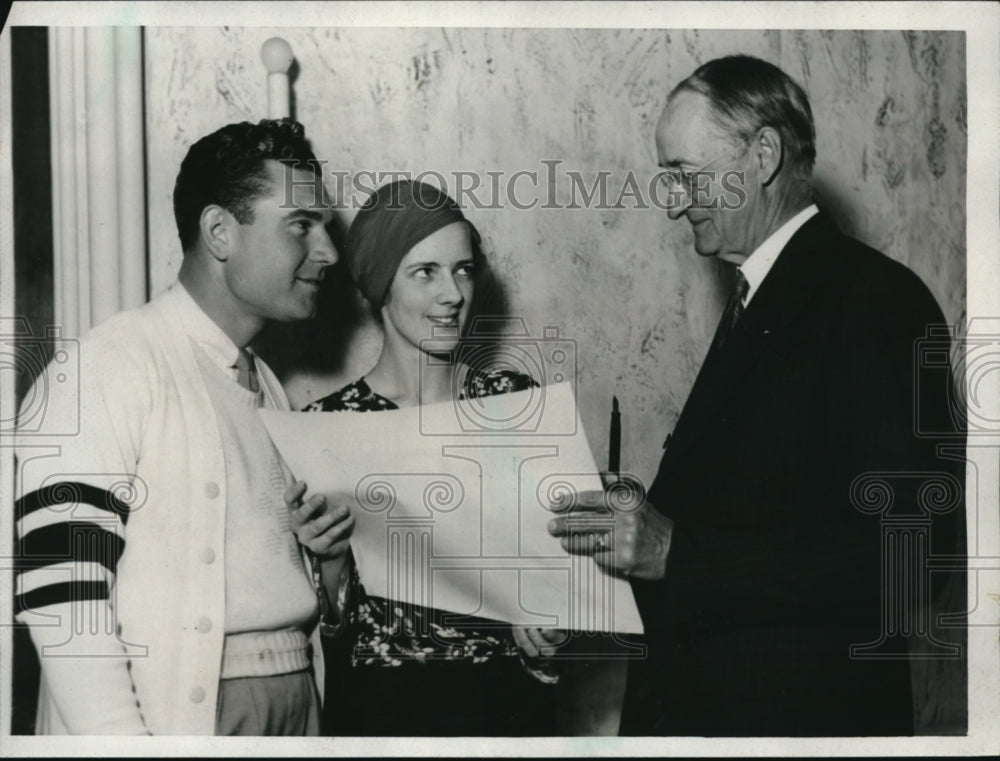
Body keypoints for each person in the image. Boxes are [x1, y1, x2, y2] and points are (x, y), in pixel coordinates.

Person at [548, 55, 964, 736]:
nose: (675, 201)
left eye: (685, 173)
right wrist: (630, 531)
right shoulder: (763, 297)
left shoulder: (874, 300)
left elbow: (913, 554)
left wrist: (677, 552)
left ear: (762, 154)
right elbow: (758, 510)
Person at [13, 119, 338, 735]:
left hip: (296, 704)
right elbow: (63, 603)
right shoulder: (107, 364)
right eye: (301, 225)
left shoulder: (267, 385)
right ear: (220, 232)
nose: (328, 252)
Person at [287, 179, 561, 736]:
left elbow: (555, 575)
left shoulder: (512, 402)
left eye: (463, 269)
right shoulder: (327, 427)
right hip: (384, 714)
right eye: (426, 272)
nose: (454, 294)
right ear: (381, 286)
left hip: (503, 710)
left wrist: (550, 626)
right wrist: (332, 557)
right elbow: (334, 629)